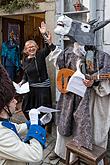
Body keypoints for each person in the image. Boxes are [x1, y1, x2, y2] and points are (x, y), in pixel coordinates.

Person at [48, 15, 110, 165]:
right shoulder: (69, 53)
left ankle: (87, 157)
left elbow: (106, 79)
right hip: (70, 98)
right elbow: (58, 62)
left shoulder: (102, 57)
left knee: (89, 129)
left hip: (90, 101)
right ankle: (62, 153)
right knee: (66, 125)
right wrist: (50, 43)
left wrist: (94, 83)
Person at [0, 64, 47, 165]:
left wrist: (40, 121)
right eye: (12, 100)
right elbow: (35, 155)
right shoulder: (2, 136)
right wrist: (34, 126)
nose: (16, 101)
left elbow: (15, 128)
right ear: (4, 106)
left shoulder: (3, 123)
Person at [19, 22, 55, 125]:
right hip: (30, 89)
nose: (31, 48)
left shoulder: (40, 55)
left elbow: (49, 47)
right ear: (26, 50)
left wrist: (44, 34)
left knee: (42, 110)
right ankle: (32, 124)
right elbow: (26, 74)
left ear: (37, 47)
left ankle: (42, 128)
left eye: (33, 46)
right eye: (28, 47)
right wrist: (22, 82)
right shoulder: (25, 60)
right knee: (26, 107)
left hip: (43, 89)